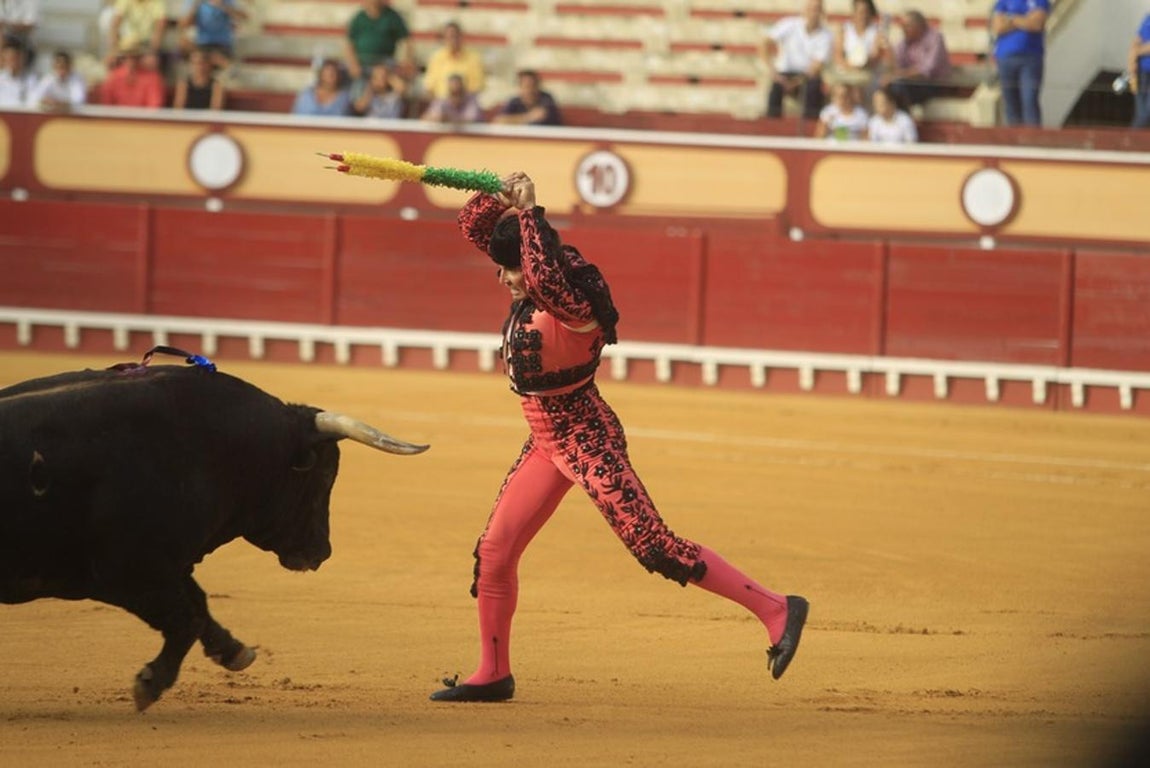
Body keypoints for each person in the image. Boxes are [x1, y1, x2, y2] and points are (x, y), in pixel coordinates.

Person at [428, 171, 809, 703]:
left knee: (655, 546)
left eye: (511, 270)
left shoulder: (574, 304)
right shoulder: (538, 273)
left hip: (588, 438)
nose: (504, 280)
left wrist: (533, 211)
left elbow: (542, 275)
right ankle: (492, 672)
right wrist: (499, 196)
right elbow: (477, 227)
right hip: (545, 440)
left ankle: (776, 608)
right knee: (494, 552)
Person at [762, 0, 833, 121]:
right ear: (805, 10)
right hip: (783, 73)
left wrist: (795, 82)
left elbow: (816, 67)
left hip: (806, 77)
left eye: (817, 9)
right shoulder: (789, 24)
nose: (813, 13)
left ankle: (809, 124)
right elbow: (764, 43)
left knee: (813, 87)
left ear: (822, 12)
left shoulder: (826, 35)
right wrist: (772, 70)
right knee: (776, 87)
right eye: (811, 8)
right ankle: (771, 124)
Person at [991, 0, 1049, 127]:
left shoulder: (1039, 1)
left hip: (1030, 57)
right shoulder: (1003, 2)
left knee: (1029, 100)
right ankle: (1014, 142)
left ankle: (1033, 140)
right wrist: (1024, 20)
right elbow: (998, 26)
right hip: (1005, 57)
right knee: (1011, 103)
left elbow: (1036, 24)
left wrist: (1011, 19)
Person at [879, 10, 951, 110]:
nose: (903, 30)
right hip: (910, 83)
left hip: (933, 84)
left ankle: (902, 120)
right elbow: (896, 65)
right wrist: (889, 50)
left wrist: (897, 75)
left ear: (918, 26)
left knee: (897, 87)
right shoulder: (906, 41)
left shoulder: (935, 38)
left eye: (906, 26)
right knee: (886, 87)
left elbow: (926, 70)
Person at [342, 0, 413, 93]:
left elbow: (406, 41)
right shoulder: (359, 18)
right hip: (362, 62)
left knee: (399, 85)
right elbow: (349, 44)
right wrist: (353, 63)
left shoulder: (393, 17)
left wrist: (407, 60)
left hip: (385, 62)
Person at [422, 20, 485, 102]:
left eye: (455, 36)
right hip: (441, 102)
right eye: (449, 37)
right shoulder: (436, 57)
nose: (453, 40)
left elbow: (477, 86)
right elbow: (429, 86)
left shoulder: (473, 58)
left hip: (465, 103)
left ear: (460, 37)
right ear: (444, 38)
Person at [178, 0, 247, 70]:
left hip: (222, 45)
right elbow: (183, 24)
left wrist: (222, 6)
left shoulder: (227, 1)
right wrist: (195, 5)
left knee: (220, 63)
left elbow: (243, 17)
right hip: (202, 45)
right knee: (189, 49)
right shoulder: (193, 2)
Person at [106, 0, 168, 73]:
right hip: (128, 44)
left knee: (153, 64)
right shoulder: (124, 1)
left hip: (147, 44)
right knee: (110, 62)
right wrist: (113, 51)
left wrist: (152, 52)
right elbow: (115, 24)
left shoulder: (157, 2)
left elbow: (160, 27)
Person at [831, 0, 883, 87]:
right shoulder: (844, 29)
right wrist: (850, 66)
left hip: (867, 73)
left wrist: (862, 64)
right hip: (847, 72)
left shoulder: (876, 31)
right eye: (860, 12)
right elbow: (837, 55)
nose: (863, 15)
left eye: (865, 11)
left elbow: (875, 57)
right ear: (854, 12)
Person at [491, 69, 562, 126]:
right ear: (520, 87)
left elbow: (541, 118)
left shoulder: (546, 99)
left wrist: (514, 120)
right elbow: (499, 121)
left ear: (538, 86)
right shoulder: (515, 101)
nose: (529, 90)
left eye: (532, 85)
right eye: (526, 86)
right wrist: (528, 117)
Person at [99, 46, 164, 107]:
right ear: (122, 59)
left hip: (143, 118)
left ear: (140, 58)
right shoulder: (113, 77)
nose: (130, 60)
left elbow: (155, 105)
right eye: (126, 57)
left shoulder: (152, 78)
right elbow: (106, 104)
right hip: (117, 117)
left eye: (134, 57)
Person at [1131, 11, 1150, 130]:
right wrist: (1132, 73)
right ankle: (1131, 140)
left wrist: (1138, 50)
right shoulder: (1147, 19)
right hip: (1142, 72)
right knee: (1141, 113)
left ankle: (1131, 139)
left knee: (1147, 111)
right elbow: (1134, 44)